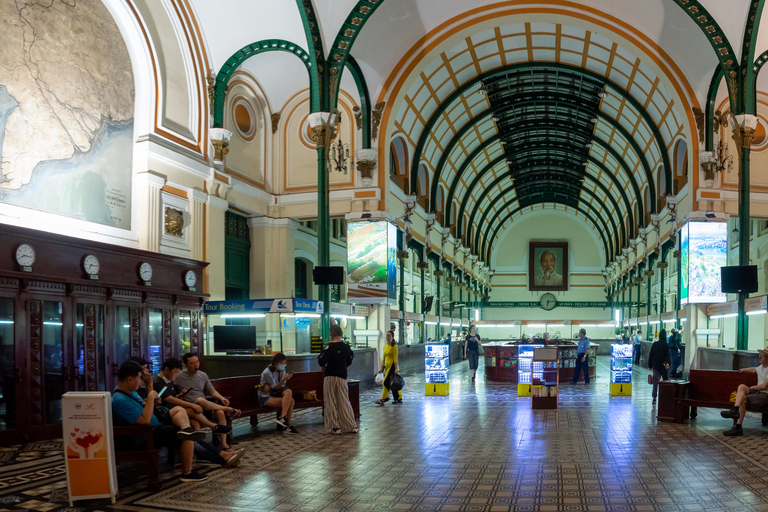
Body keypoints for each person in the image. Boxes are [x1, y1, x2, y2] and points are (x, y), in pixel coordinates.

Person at [112, 361, 208, 482]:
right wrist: (151, 397)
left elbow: (143, 406)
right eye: (139, 378)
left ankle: (189, 432)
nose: (141, 382)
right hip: (145, 436)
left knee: (183, 422)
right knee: (184, 435)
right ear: (130, 379)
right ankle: (187, 473)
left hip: (154, 427)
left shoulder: (130, 393)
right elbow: (144, 420)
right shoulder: (120, 399)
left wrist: (151, 397)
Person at [152, 358, 244, 467]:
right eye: (175, 372)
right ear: (167, 370)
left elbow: (167, 398)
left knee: (193, 433)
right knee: (191, 431)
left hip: (175, 415)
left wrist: (180, 396)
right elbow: (168, 399)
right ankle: (220, 449)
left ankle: (223, 454)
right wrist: (190, 404)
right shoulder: (158, 382)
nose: (177, 375)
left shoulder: (168, 381)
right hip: (166, 418)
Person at [174, 353, 242, 449]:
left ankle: (223, 444)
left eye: (197, 362)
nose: (196, 365)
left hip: (205, 407)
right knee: (199, 402)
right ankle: (229, 409)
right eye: (192, 363)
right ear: (186, 365)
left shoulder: (203, 375)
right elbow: (170, 389)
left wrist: (221, 398)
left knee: (220, 412)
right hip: (191, 408)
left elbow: (212, 391)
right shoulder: (179, 376)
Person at [318, 324, 358, 435]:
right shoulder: (346, 347)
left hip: (330, 377)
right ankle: (351, 425)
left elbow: (321, 361)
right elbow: (349, 361)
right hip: (342, 377)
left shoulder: (329, 347)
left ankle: (335, 427)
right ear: (340, 333)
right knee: (344, 400)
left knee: (331, 401)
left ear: (331, 334)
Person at [721, 347, 768, 436]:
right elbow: (754, 369)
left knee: (742, 399)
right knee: (742, 387)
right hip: (758, 393)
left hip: (765, 395)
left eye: (763, 356)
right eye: (760, 355)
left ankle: (738, 427)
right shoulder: (761, 367)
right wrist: (744, 369)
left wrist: (753, 387)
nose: (760, 357)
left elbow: (764, 386)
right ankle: (735, 410)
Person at [258, 353, 298, 433]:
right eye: (281, 363)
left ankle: (284, 420)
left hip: (276, 393)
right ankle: (286, 423)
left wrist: (285, 379)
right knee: (290, 400)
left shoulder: (282, 370)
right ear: (276, 363)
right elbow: (275, 387)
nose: (283, 365)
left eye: (284, 363)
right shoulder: (267, 372)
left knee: (289, 393)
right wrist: (283, 380)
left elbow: (282, 386)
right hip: (266, 396)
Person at [375, 330, 401, 405]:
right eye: (387, 335)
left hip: (392, 367)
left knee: (386, 382)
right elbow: (383, 358)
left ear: (392, 337)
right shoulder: (385, 346)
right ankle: (398, 398)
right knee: (393, 383)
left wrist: (396, 369)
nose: (387, 337)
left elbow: (395, 359)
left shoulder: (394, 347)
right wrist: (382, 369)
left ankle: (385, 398)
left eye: (389, 335)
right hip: (387, 367)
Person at [647, 329, 670, 404]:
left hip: (656, 366)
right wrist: (667, 363)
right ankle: (666, 396)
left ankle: (654, 397)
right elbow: (668, 355)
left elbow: (651, 355)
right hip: (663, 366)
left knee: (655, 382)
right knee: (665, 381)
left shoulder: (655, 344)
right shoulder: (666, 345)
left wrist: (650, 365)